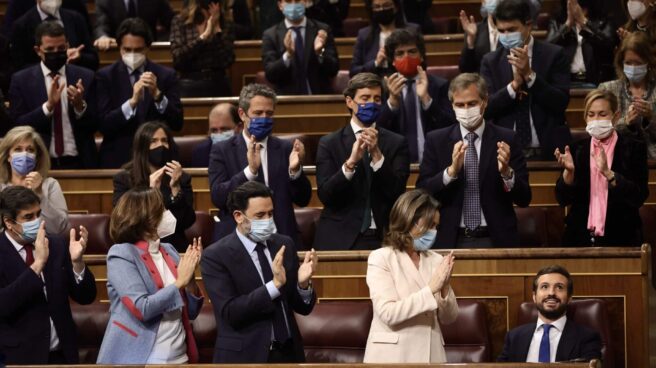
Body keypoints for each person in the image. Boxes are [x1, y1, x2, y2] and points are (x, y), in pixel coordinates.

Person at [201, 181, 318, 363]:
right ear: (239, 216)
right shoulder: (215, 256)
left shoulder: (284, 244)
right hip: (245, 357)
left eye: (270, 214)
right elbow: (231, 312)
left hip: (288, 354)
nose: (268, 221)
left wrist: (303, 285)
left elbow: (301, 307)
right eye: (260, 215)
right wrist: (274, 285)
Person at [416, 73, 531, 248]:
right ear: (452, 106)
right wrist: (450, 173)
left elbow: (524, 198)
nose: (466, 109)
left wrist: (507, 173)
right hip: (450, 239)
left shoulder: (507, 138)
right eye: (460, 105)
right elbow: (422, 192)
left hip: (496, 238)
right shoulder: (436, 140)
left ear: (484, 102)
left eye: (472, 103)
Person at [97, 188, 203, 364]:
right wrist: (179, 283)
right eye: (161, 210)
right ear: (145, 218)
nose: (167, 214)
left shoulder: (169, 250)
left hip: (180, 356)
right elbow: (142, 308)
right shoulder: (122, 254)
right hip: (143, 358)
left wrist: (190, 275)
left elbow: (191, 312)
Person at [0, 185, 96, 364]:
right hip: (19, 358)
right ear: (9, 222)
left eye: (38, 214)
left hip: (63, 355)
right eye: (28, 217)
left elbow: (86, 297)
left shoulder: (56, 244)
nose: (37, 221)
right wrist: (37, 265)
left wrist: (77, 263)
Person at [314, 72, 410, 250]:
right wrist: (350, 164)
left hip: (384, 238)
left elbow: (397, 193)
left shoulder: (396, 142)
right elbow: (326, 195)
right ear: (350, 101)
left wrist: (378, 157)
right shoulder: (329, 143)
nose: (371, 104)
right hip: (340, 238)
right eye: (365, 98)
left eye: (377, 99)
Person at [208, 84, 311, 246]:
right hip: (238, 242)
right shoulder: (222, 150)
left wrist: (295, 171)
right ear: (242, 114)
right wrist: (250, 171)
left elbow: (304, 199)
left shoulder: (286, 149)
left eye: (269, 114)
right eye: (257, 113)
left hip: (281, 238)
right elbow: (218, 197)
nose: (264, 118)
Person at [363, 189, 458, 363]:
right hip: (392, 358)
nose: (434, 232)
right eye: (430, 225)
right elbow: (388, 313)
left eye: (436, 226)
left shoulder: (436, 260)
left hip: (431, 356)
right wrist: (431, 290)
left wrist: (444, 286)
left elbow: (449, 318)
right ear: (409, 221)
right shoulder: (381, 258)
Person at [554, 89, 648, 246]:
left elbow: (639, 196)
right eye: (591, 115)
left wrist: (609, 174)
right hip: (578, 238)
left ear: (616, 116)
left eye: (602, 114)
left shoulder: (633, 148)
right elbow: (562, 199)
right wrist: (568, 174)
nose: (596, 119)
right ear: (585, 118)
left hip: (622, 237)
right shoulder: (575, 150)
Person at [480, 0, 571, 160]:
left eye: (512, 29)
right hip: (506, 153)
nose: (506, 36)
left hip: (549, 150)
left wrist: (530, 76)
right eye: (501, 31)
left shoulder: (554, 54)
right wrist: (513, 87)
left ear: (528, 25)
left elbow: (561, 102)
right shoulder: (490, 61)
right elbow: (486, 108)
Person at [9, 21, 98, 169]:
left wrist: (79, 106)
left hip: (80, 161)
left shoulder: (86, 77)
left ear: (67, 46)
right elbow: (17, 125)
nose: (56, 53)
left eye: (61, 48)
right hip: (39, 163)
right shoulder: (21, 80)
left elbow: (96, 123)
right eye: (50, 49)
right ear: (38, 50)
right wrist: (48, 107)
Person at [96, 18, 183, 169]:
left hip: (160, 160)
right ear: (119, 48)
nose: (132, 54)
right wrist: (131, 103)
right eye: (127, 49)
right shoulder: (105, 77)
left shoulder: (166, 75)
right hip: (119, 158)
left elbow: (177, 122)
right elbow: (103, 125)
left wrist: (158, 95)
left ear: (148, 48)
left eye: (138, 50)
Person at [112, 122, 196, 252]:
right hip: (137, 248)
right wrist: (152, 193)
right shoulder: (124, 179)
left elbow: (187, 221)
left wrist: (175, 190)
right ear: (142, 146)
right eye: (154, 141)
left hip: (173, 247)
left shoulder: (181, 178)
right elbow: (125, 220)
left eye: (164, 141)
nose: (160, 146)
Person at [377, 29, 456, 163]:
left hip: (433, 161)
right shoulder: (383, 88)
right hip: (394, 163)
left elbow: (450, 126)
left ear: (422, 56)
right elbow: (376, 129)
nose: (406, 57)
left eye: (412, 52)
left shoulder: (439, 85)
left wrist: (427, 100)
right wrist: (392, 103)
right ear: (392, 61)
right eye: (400, 53)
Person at [497, 265, 602, 362]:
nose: (551, 293)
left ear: (569, 298)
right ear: (534, 296)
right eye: (544, 287)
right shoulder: (514, 337)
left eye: (559, 287)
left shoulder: (587, 337)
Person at [0, 126, 70, 236]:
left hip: (43, 246)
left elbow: (58, 228)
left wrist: (39, 193)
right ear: (8, 156)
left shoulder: (49, 185)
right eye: (18, 149)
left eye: (30, 150)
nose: (25, 154)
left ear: (37, 156)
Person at [261, 0, 339, 95]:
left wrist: (320, 53)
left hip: (319, 98)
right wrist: (288, 55)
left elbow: (333, 70)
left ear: (306, 2)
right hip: (288, 101)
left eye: (297, 0)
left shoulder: (322, 30)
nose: (293, 5)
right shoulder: (270, 35)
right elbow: (270, 75)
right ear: (280, 5)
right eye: (288, 1)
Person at [599, 32, 656, 159]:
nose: (633, 67)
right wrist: (625, 123)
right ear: (621, 62)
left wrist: (650, 118)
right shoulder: (607, 90)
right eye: (629, 63)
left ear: (648, 62)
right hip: (618, 161)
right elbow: (599, 131)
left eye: (638, 62)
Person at [170, 0, 235, 97]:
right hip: (189, 83)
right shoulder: (180, 21)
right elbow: (178, 59)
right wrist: (203, 37)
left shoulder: (225, 22)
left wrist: (217, 31)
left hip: (218, 83)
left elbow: (228, 60)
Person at [10, 0, 98, 71]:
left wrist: (80, 57)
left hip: (74, 81)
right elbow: (18, 67)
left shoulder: (77, 19)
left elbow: (94, 60)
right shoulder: (21, 26)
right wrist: (49, 63)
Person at [546, 0, 617, 87]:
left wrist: (584, 22)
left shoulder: (604, 19)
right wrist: (567, 25)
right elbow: (548, 49)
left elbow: (608, 46)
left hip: (597, 81)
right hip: (566, 82)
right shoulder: (557, 21)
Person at [349, 0, 418, 77]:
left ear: (395, 7)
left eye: (386, 5)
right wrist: (376, 63)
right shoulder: (364, 34)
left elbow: (421, 64)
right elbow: (353, 71)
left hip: (403, 81)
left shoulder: (412, 31)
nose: (381, 10)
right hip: (374, 83)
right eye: (377, 7)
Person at [93, 0, 175, 50]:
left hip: (149, 49)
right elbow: (101, 24)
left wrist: (160, 43)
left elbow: (172, 23)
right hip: (117, 50)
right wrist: (103, 37)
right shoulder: (104, 1)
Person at [191, 102, 242, 167]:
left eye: (224, 129)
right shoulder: (200, 153)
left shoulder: (249, 150)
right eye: (214, 130)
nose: (219, 134)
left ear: (240, 127)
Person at [458, 0, 501, 73]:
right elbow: (465, 69)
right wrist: (471, 43)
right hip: (481, 81)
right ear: (483, 2)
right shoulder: (475, 30)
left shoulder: (513, 30)